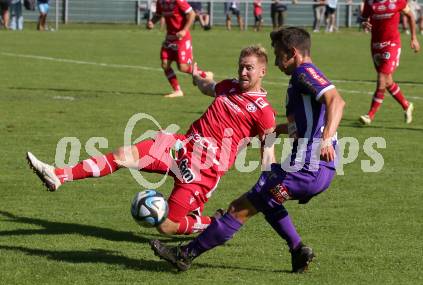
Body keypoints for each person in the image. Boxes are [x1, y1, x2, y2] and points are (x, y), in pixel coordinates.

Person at [149, 27, 346, 273]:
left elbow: (336, 101)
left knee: (239, 208)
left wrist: (326, 138)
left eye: (278, 55)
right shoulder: (300, 82)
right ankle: (298, 251)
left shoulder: (304, 72)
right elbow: (301, 126)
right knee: (267, 196)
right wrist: (271, 131)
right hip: (314, 170)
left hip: (309, 167)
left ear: (292, 53)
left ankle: (184, 254)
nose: (275, 62)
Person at [27, 45, 277, 237]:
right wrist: (197, 76)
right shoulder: (229, 86)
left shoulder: (264, 110)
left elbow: (269, 147)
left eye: (249, 68)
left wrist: (269, 180)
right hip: (181, 147)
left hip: (204, 170)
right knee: (123, 155)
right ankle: (59, 175)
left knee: (167, 226)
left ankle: (213, 223)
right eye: (241, 66)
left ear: (262, 71)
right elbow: (207, 86)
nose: (243, 71)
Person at [359, 0, 420, 125]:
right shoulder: (369, 3)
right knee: (387, 81)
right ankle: (406, 105)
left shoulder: (397, 1)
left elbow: (410, 16)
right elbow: (364, 19)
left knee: (382, 78)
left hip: (392, 45)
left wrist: (414, 38)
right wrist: (365, 24)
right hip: (376, 45)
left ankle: (370, 115)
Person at [147, 0, 213, 98]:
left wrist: (184, 30)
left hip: (182, 39)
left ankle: (204, 74)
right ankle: (177, 90)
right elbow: (158, 14)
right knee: (165, 64)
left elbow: (192, 14)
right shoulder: (160, 2)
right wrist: (151, 22)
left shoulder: (178, 1)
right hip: (169, 39)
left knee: (183, 67)